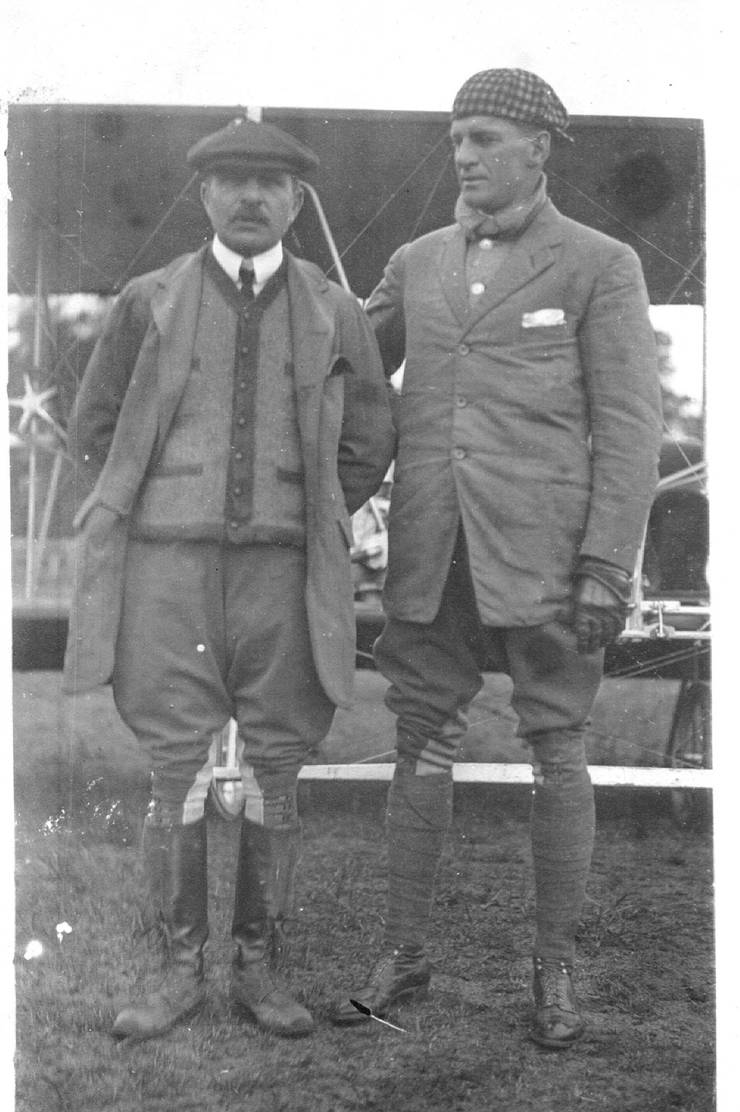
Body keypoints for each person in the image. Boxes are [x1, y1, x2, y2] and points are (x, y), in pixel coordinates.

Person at [332, 68, 662, 1048]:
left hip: (549, 561)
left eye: (481, 137)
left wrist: (606, 558)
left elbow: (630, 423)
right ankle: (404, 951)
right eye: (455, 138)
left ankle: (552, 965)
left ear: (537, 147)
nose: (462, 156)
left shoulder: (598, 263)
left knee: (556, 747)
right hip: (431, 550)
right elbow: (346, 362)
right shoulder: (418, 258)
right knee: (417, 741)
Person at [62, 116, 395, 1041]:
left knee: (278, 770)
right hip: (169, 570)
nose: (252, 197)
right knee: (173, 768)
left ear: (298, 200)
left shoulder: (336, 307)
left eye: (272, 183)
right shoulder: (150, 298)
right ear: (203, 193)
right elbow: (92, 428)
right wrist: (162, 500)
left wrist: (307, 510)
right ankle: (176, 971)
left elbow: (370, 436)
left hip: (285, 575)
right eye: (233, 180)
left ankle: (256, 969)